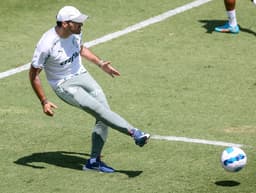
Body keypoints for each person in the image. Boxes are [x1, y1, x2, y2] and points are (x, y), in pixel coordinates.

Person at [29, 5, 150, 173]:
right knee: (98, 110)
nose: (81, 25)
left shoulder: (74, 33)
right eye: (77, 22)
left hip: (81, 74)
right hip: (63, 84)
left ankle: (94, 161)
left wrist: (101, 64)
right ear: (65, 24)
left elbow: (80, 49)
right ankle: (135, 132)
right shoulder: (46, 44)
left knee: (103, 113)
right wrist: (44, 101)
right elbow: (34, 75)